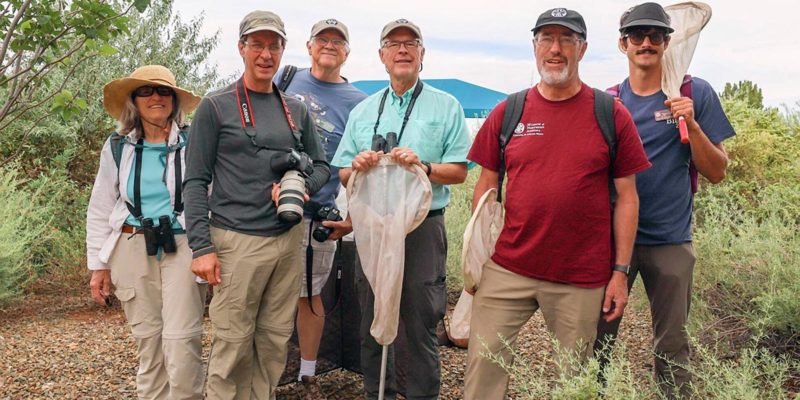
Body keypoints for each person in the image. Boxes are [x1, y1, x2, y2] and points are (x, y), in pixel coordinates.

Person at [463, 8, 652, 399]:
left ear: (582, 49)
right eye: (546, 39)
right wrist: (478, 250)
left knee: (574, 382)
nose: (556, 49)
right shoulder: (509, 110)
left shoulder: (610, 114)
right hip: (508, 266)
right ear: (534, 47)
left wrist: (619, 273)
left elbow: (628, 197)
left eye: (567, 39)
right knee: (483, 370)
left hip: (580, 276)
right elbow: (486, 185)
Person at [183, 10, 330, 400]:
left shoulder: (295, 109)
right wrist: (202, 247)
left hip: (287, 240)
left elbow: (323, 167)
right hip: (235, 240)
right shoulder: (215, 107)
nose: (266, 54)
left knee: (273, 340)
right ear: (241, 48)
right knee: (232, 342)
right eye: (257, 45)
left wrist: (300, 185)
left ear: (283, 51)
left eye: (274, 46)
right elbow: (195, 181)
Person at [594, 3, 735, 398]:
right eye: (637, 35)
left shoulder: (693, 92)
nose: (646, 43)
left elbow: (718, 170)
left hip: (671, 240)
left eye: (655, 35)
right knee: (596, 342)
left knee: (672, 347)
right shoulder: (608, 103)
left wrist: (689, 123)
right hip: (612, 242)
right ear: (623, 44)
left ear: (667, 42)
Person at [329, 18, 471, 400]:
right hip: (373, 228)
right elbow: (342, 172)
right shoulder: (364, 111)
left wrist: (424, 166)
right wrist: (355, 166)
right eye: (394, 43)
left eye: (411, 43)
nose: (402, 49)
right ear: (382, 56)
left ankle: (422, 394)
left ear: (422, 55)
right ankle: (380, 393)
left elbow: (458, 171)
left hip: (421, 227)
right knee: (372, 317)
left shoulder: (446, 106)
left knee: (420, 321)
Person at [87, 64, 206, 399]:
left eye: (163, 91)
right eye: (146, 91)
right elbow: (100, 206)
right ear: (134, 102)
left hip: (183, 244)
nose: (156, 97)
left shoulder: (194, 142)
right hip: (131, 244)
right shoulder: (117, 147)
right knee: (148, 343)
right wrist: (98, 265)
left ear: (174, 99)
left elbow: (210, 194)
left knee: (182, 342)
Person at [273, 18, 366, 399]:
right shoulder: (286, 78)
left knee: (310, 295)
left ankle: (307, 374)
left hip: (320, 211)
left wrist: (351, 216)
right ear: (309, 46)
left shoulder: (359, 102)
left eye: (338, 41)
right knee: (269, 293)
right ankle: (267, 372)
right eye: (322, 39)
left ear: (347, 52)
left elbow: (358, 168)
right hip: (270, 208)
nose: (330, 45)